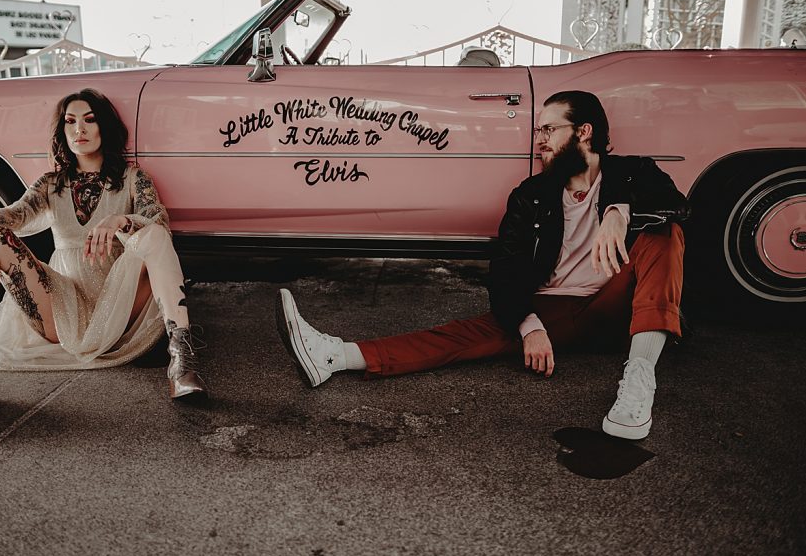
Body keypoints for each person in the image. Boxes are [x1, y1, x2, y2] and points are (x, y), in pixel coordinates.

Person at [276, 90, 688, 440]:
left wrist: (619, 212)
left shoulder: (634, 174)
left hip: (617, 306)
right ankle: (337, 356)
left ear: (584, 132)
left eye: (549, 129)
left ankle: (638, 379)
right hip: (552, 310)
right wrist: (530, 327)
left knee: (664, 236)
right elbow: (505, 271)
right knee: (463, 337)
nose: (539, 140)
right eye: (538, 130)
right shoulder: (531, 195)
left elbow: (678, 209)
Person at [0, 88, 206, 418]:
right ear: (62, 131)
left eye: (90, 120)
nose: (80, 129)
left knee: (155, 234)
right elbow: (16, 215)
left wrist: (121, 220)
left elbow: (158, 221)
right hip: (62, 307)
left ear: (105, 127)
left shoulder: (134, 179)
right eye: (70, 122)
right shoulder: (51, 184)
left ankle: (182, 360)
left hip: (122, 302)